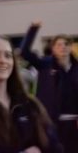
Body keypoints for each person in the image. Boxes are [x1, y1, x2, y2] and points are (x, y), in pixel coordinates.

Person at [21, 22, 78, 153]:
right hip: (49, 122)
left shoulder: (76, 68)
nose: (63, 47)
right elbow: (24, 52)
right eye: (59, 44)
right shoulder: (44, 64)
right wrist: (33, 29)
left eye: (66, 44)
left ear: (71, 47)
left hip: (72, 124)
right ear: (53, 49)